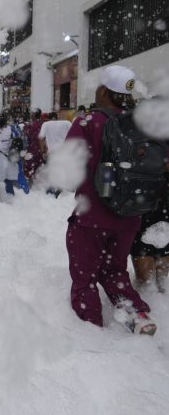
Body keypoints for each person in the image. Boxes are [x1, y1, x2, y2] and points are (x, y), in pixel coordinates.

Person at [65, 65, 156, 335]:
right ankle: (136, 315)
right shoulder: (143, 123)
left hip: (92, 214)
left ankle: (91, 329)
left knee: (85, 276)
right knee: (115, 269)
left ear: (104, 90)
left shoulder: (88, 121)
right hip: (130, 214)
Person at [22, 109, 45, 182]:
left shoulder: (30, 125)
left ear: (34, 115)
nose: (30, 115)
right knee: (38, 166)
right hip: (40, 149)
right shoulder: (43, 124)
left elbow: (25, 133)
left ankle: (30, 181)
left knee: (29, 167)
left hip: (32, 149)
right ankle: (38, 182)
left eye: (32, 114)